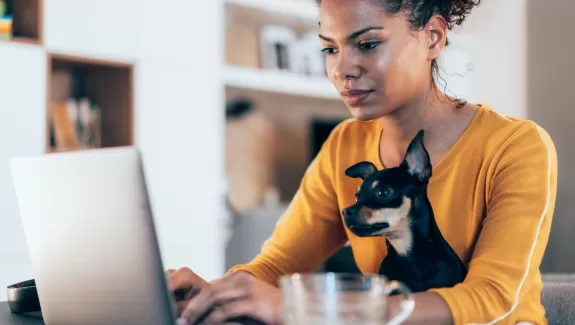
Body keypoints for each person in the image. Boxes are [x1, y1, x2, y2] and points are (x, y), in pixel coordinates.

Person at [170, 0, 557, 324]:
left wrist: (304, 309)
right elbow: (276, 267)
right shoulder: (345, 145)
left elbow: (494, 300)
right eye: (330, 48)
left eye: (368, 44)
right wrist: (215, 295)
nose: (342, 70)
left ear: (433, 38)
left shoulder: (516, 146)